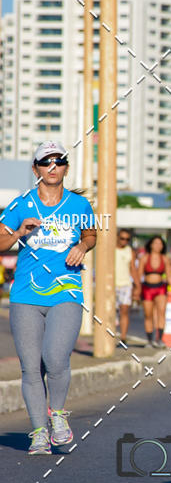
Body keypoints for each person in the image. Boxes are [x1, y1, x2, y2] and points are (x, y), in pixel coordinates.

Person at [0, 142, 96, 455]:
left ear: (66, 167)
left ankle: (57, 415)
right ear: (36, 169)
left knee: (55, 358)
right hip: (26, 294)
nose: (52, 167)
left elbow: (91, 233)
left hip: (66, 290)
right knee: (30, 368)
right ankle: (39, 432)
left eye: (59, 161)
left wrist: (83, 246)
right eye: (46, 162)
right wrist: (17, 234)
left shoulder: (78, 205)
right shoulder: (21, 204)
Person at [133, 236, 171, 347]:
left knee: (161, 312)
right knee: (148, 314)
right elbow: (139, 274)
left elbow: (169, 276)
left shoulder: (164, 259)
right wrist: (137, 289)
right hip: (147, 288)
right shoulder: (145, 258)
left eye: (160, 244)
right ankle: (150, 340)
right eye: (156, 243)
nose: (158, 246)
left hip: (161, 287)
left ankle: (159, 339)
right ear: (151, 245)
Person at [115, 229, 135, 346]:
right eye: (122, 238)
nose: (124, 241)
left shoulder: (129, 251)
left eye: (127, 239)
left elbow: (133, 269)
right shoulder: (110, 249)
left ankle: (123, 337)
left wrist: (137, 285)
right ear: (117, 237)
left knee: (124, 311)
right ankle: (110, 335)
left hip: (126, 284)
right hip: (111, 284)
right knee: (110, 312)